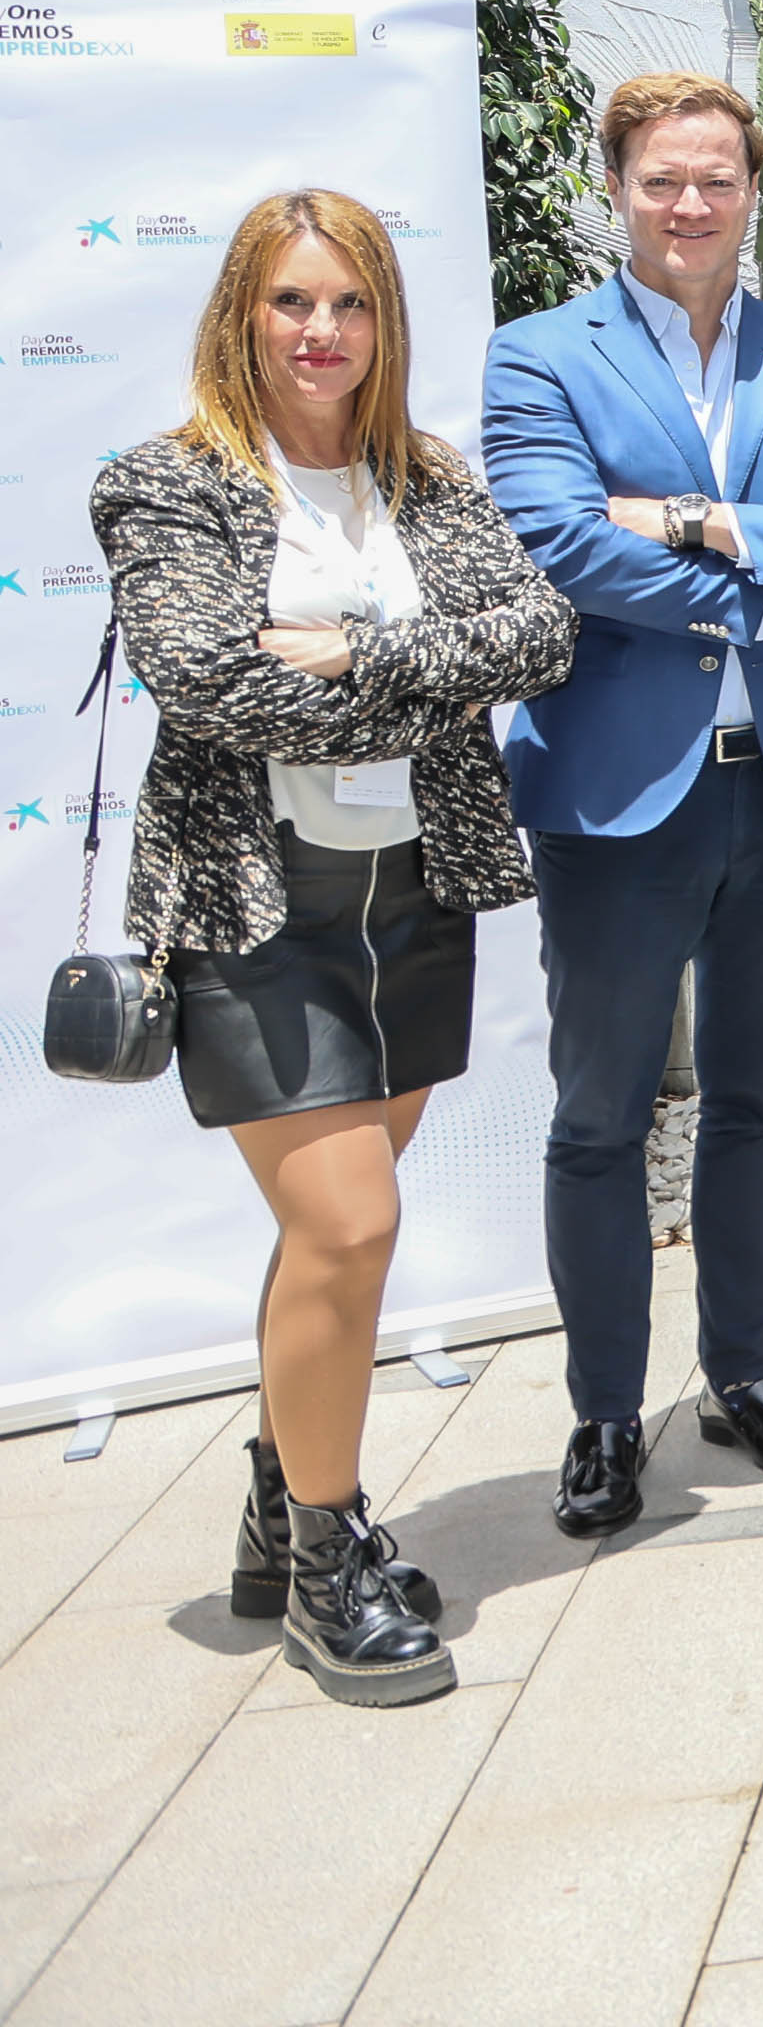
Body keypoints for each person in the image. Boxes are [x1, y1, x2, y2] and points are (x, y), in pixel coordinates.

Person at [89, 194, 576, 1705]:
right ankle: (326, 1562)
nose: (323, 331)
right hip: (259, 908)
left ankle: (275, 1494)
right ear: (243, 312)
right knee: (353, 1227)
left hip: (413, 898)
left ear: (385, 323)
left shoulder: (424, 478)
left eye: (351, 303)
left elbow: (540, 633)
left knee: (327, 1241)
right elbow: (206, 680)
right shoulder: (166, 485)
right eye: (293, 301)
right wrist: (428, 678)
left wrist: (355, 650)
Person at [482, 72, 763, 1539]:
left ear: (752, 191)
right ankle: (608, 1415)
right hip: (619, 798)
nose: (690, 204)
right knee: (601, 1116)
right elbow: (559, 544)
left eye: (717, 180)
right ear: (617, 189)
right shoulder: (540, 356)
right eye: (662, 179)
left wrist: (696, 521)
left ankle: (743, 1371)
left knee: (757, 1101)